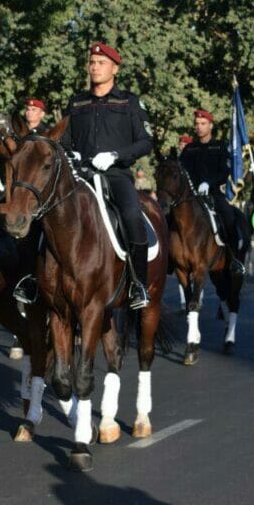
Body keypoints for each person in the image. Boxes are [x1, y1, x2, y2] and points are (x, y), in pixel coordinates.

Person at [61, 43, 152, 310]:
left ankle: (139, 285)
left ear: (115, 68)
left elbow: (145, 141)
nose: (94, 67)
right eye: (91, 62)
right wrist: (71, 155)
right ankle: (32, 279)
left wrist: (115, 155)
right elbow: (64, 139)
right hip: (81, 175)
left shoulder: (129, 101)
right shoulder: (77, 102)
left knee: (133, 215)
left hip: (115, 175)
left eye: (101, 63)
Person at [179, 108, 246, 274]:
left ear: (211, 126)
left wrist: (209, 183)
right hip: (191, 196)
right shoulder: (189, 149)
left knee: (229, 217)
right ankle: (169, 259)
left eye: (203, 123)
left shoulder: (219, 146)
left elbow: (225, 172)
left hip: (213, 194)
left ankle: (233, 259)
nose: (199, 127)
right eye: (197, 124)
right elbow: (181, 172)